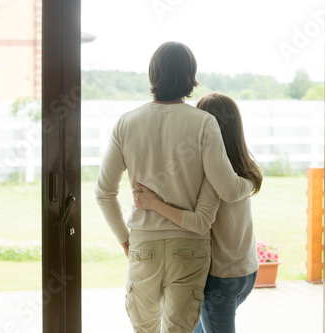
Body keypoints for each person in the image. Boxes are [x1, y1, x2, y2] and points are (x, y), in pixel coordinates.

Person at [95, 42, 253, 333]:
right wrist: (251, 181)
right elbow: (229, 190)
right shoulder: (204, 123)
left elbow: (104, 193)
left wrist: (124, 239)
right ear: (191, 77)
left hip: (144, 244)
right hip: (189, 245)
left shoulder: (126, 123)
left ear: (152, 75)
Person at [133, 92, 262, 333]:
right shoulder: (245, 167)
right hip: (246, 271)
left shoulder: (214, 175)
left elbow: (199, 221)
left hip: (219, 277)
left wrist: (153, 203)